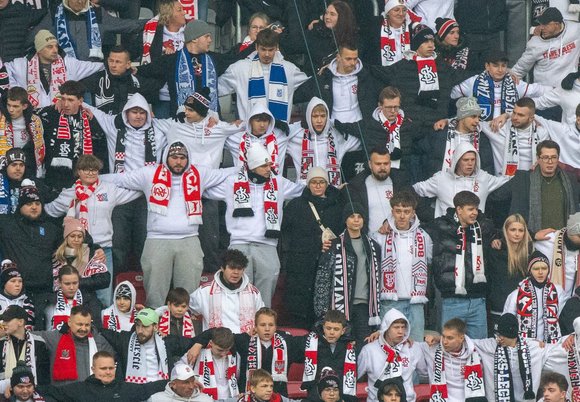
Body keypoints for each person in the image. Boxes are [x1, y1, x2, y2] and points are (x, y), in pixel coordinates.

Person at [102, 141, 234, 307]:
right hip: (157, 240)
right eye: (174, 157)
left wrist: (251, 167)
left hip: (189, 240)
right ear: (165, 157)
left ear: (188, 159)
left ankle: (186, 324)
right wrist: (92, 178)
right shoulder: (149, 174)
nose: (178, 161)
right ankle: (155, 324)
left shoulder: (200, 174)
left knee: (189, 298)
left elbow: (225, 174)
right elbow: (119, 179)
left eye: (182, 158)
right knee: (155, 297)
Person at [205, 139, 303, 307]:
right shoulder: (232, 182)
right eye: (263, 166)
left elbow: (302, 190)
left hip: (268, 246)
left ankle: (262, 323)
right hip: (239, 245)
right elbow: (204, 189)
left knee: (264, 299)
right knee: (239, 296)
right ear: (252, 167)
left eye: (269, 165)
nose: (268, 169)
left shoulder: (279, 182)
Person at [81, 92, 166, 275]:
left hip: (146, 196)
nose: (138, 116)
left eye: (142, 112)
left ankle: (143, 281)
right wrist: (66, 100)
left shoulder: (159, 129)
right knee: (118, 242)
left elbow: (185, 124)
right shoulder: (114, 125)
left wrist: (213, 117)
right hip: (120, 195)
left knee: (144, 241)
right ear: (126, 113)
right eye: (134, 112)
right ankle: (118, 281)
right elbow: (92, 110)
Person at [44, 154, 140, 304]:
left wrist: (149, 185)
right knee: (76, 292)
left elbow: (135, 192)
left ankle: (101, 319)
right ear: (78, 171)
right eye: (86, 169)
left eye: (94, 170)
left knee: (104, 296)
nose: (91, 173)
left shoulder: (109, 189)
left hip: (104, 249)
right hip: (77, 249)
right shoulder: (70, 193)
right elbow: (49, 210)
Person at [423, 191, 493, 339]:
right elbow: (413, 230)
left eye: (476, 209)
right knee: (450, 347)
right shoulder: (440, 226)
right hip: (451, 300)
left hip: (478, 300)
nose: (475, 213)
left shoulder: (484, 226)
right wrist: (387, 223)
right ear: (459, 209)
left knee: (478, 348)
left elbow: (507, 232)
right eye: (470, 209)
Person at [281, 167, 344, 329]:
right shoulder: (296, 206)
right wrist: (315, 243)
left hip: (329, 262)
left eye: (321, 182)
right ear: (308, 184)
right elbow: (287, 236)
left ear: (327, 184)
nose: (317, 185)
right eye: (314, 182)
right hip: (301, 263)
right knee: (301, 308)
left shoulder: (337, 205)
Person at [189, 307, 301, 396]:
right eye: (262, 325)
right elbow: (217, 333)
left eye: (271, 325)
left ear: (276, 327)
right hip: (248, 395)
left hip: (277, 395)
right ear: (255, 327)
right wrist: (198, 344)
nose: (267, 329)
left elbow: (307, 343)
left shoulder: (286, 342)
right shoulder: (244, 340)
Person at [314, 202, 382, 347]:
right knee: (340, 347)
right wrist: (322, 313)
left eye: (359, 216)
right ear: (345, 220)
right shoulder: (333, 245)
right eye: (352, 216)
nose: (356, 220)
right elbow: (323, 280)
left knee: (363, 347)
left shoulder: (374, 246)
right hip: (339, 306)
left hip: (365, 306)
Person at [0, 183, 63, 330]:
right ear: (20, 205)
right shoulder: (6, 224)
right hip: (16, 292)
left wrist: (95, 247)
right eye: (29, 203)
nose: (34, 207)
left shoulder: (51, 228)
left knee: (40, 333)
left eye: (37, 203)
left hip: (43, 292)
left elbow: (76, 235)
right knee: (12, 330)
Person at [375, 190, 432, 342]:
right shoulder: (380, 236)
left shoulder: (424, 237)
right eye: (398, 211)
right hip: (390, 301)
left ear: (413, 213)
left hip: (416, 302)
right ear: (392, 211)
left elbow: (431, 262)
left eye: (406, 212)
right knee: (389, 345)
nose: (402, 216)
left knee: (416, 345)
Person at [219, 29, 309, 123]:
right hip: (248, 130)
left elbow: (310, 86)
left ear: (277, 47)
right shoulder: (240, 68)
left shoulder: (290, 69)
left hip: (279, 131)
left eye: (270, 50)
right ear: (256, 47)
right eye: (263, 49)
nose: (267, 54)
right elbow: (215, 90)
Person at [138, 19, 222, 117]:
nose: (210, 40)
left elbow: (234, 56)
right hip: (180, 122)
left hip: (210, 123)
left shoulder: (214, 59)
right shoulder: (171, 60)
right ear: (194, 39)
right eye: (207, 36)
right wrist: (144, 106)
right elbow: (144, 71)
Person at [500, 140, 579, 240]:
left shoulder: (570, 180)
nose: (550, 162)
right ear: (538, 159)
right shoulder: (523, 180)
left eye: (553, 157)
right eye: (545, 157)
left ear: (558, 159)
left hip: (563, 241)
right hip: (533, 240)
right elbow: (498, 199)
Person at [37, 80, 108, 191]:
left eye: (70, 100)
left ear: (80, 101)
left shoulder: (89, 119)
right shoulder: (51, 113)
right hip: (52, 180)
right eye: (63, 99)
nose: (65, 104)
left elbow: (100, 149)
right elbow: (27, 113)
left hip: (80, 181)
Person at [6, 30, 104, 109]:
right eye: (50, 47)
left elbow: (98, 67)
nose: (55, 50)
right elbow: (3, 71)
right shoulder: (21, 64)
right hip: (31, 118)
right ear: (39, 50)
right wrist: (15, 90)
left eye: (56, 46)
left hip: (60, 117)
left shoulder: (69, 64)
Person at [413, 142, 509, 218]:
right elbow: (415, 190)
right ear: (457, 161)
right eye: (465, 160)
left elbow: (506, 181)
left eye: (473, 160)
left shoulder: (484, 178)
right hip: (446, 231)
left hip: (474, 230)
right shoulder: (441, 178)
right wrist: (427, 214)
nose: (470, 163)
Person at [101, 308, 196, 384]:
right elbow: (100, 331)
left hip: (160, 392)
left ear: (155, 327)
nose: (140, 331)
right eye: (138, 325)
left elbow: (197, 339)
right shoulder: (125, 340)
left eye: (145, 326)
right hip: (133, 392)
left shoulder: (167, 341)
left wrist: (197, 345)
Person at [474, 313, 553, 402]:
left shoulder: (533, 347)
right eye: (498, 335)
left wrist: (567, 338)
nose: (499, 338)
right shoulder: (490, 345)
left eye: (503, 335)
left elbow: (558, 350)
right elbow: (466, 341)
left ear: (512, 335)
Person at [33, 0, 146, 62]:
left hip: (91, 72)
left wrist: (154, 21)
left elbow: (129, 25)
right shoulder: (55, 15)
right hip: (62, 71)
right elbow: (33, 37)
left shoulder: (98, 13)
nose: (80, 1)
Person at [451, 51, 549, 121]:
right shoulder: (473, 82)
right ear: (487, 66)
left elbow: (539, 90)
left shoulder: (515, 82)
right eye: (495, 66)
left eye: (503, 65)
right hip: (481, 131)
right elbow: (450, 94)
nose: (500, 70)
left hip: (507, 131)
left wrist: (557, 90)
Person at [286, 97, 360, 187]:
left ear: (327, 117)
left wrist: (345, 127)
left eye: (323, 116)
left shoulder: (337, 136)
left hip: (332, 191)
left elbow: (362, 141)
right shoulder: (296, 136)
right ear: (308, 117)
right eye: (315, 116)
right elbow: (277, 141)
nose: (319, 120)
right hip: (304, 191)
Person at [33, 305, 114, 385]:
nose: (83, 329)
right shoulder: (54, 338)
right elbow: (28, 335)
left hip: (92, 391)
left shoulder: (100, 341)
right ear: (69, 322)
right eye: (79, 324)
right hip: (62, 392)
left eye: (87, 325)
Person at [41, 351, 167, 401]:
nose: (108, 372)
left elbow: (147, 388)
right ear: (93, 369)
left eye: (111, 368)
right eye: (103, 368)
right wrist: (32, 387)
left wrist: (172, 382)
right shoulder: (80, 389)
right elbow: (53, 392)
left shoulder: (125, 389)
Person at [189, 249, 265, 333]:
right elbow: (185, 308)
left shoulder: (253, 293)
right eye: (232, 268)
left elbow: (263, 318)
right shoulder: (205, 291)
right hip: (215, 340)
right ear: (222, 268)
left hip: (246, 340)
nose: (236, 272)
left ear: (243, 270)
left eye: (239, 268)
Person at [421, 96, 495, 180]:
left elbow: (487, 168)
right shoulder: (440, 135)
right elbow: (427, 162)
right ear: (462, 117)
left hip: (472, 186)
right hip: (443, 185)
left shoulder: (482, 139)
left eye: (478, 117)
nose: (477, 121)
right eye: (473, 116)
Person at [358, 309, 424, 402]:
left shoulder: (413, 347)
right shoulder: (369, 350)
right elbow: (353, 376)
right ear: (386, 328)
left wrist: (435, 340)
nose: (401, 331)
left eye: (403, 327)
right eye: (396, 327)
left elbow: (426, 372)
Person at [418, 318, 487, 402]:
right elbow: (411, 347)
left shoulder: (477, 350)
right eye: (443, 336)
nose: (445, 342)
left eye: (450, 338)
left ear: (461, 338)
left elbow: (496, 343)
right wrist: (407, 339)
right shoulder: (432, 348)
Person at [511, 7, 580, 88]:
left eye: (545, 24)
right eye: (540, 24)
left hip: (569, 89)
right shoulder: (535, 44)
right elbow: (519, 70)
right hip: (545, 91)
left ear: (557, 24)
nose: (541, 27)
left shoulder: (575, 30)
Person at [479, 97, 550, 176]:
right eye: (514, 113)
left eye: (520, 115)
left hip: (533, 179)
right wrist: (506, 115)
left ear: (531, 118)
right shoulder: (500, 127)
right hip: (505, 180)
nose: (515, 117)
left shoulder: (542, 133)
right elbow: (476, 125)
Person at [503, 251, 564, 343]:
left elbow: (564, 318)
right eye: (536, 269)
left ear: (549, 270)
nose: (540, 272)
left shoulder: (558, 291)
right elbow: (507, 321)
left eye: (544, 268)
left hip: (551, 345)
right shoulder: (516, 294)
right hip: (525, 345)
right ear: (530, 270)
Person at [50, 217, 110, 310]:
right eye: (72, 236)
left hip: (86, 299)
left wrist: (77, 282)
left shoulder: (91, 253)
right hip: (61, 299)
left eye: (79, 236)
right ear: (66, 237)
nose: (76, 239)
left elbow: (105, 279)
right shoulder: (56, 255)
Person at [298, 310, 358, 402]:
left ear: (343, 330)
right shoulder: (309, 342)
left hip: (340, 398)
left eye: (336, 329)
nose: (331, 332)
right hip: (315, 397)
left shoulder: (351, 347)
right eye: (328, 328)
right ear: (323, 327)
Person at [83, 45, 160, 115]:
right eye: (111, 61)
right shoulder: (97, 79)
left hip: (129, 125)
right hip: (102, 124)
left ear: (128, 64)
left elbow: (159, 83)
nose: (113, 65)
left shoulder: (138, 82)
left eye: (118, 62)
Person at [487, 214, 533, 332]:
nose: (517, 234)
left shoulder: (529, 255)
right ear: (505, 231)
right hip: (499, 308)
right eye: (513, 230)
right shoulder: (495, 252)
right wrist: (495, 240)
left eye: (521, 230)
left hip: (523, 310)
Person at [285, 1, 357, 74]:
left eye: (332, 14)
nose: (327, 17)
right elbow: (293, 46)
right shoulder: (316, 33)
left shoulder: (351, 39)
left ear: (342, 17)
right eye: (326, 13)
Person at [344, 147, 402, 235]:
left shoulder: (401, 184)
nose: (382, 167)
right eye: (378, 164)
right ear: (370, 164)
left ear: (390, 164)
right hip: (369, 240)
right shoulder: (357, 186)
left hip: (397, 239)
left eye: (386, 163)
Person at [535, 212, 580, 306]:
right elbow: (518, 240)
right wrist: (532, 235)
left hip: (574, 305)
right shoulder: (549, 239)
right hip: (549, 302)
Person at [360, 0, 421, 66]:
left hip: (406, 70)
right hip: (380, 70)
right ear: (388, 12)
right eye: (396, 10)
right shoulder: (374, 27)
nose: (401, 13)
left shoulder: (411, 29)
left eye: (404, 10)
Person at [0, 87, 45, 177]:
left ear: (24, 106)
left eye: (15, 106)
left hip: (27, 164)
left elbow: (40, 145)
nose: (11, 109)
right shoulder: (1, 119)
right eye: (9, 105)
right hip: (4, 166)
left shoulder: (35, 120)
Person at [0, 306, 50, 385]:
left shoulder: (39, 343)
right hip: (4, 391)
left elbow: (43, 376)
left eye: (7, 320)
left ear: (20, 322)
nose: (3, 324)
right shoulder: (1, 344)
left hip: (33, 391)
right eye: (3, 320)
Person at [45, 265, 102, 330]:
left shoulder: (91, 302)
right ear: (59, 283)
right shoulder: (48, 302)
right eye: (67, 284)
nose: (71, 287)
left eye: (75, 283)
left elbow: (96, 330)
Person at [193, 327, 239, 400]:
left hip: (231, 398)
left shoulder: (235, 355)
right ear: (211, 343)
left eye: (227, 350)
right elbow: (181, 369)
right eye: (220, 350)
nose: (223, 354)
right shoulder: (197, 354)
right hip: (205, 399)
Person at [0, 261, 35, 330]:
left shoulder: (27, 302)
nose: (17, 284)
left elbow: (29, 328)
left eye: (20, 281)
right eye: (13, 281)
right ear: (4, 284)